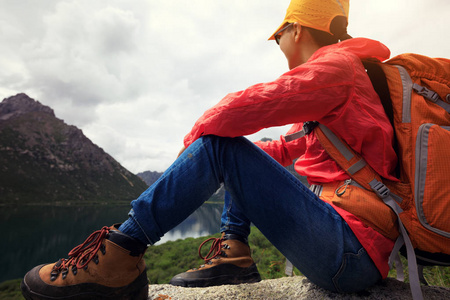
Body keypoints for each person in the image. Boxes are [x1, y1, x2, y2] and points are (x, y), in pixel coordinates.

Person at [21, 0, 401, 299]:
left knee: (222, 142)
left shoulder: (338, 69)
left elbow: (251, 105)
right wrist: (210, 161)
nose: (279, 43)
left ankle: (119, 256)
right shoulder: (350, 83)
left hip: (350, 253)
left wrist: (201, 145)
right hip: (352, 251)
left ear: (295, 29)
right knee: (236, 150)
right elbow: (281, 149)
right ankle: (234, 252)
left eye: (278, 35)